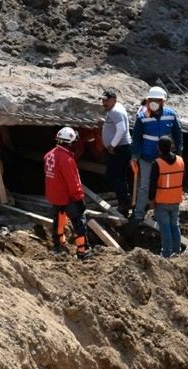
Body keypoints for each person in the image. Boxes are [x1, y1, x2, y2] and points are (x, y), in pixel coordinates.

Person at [131, 86, 183, 223]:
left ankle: (158, 212)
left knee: (163, 185)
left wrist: (179, 151)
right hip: (147, 157)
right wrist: (134, 156)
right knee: (144, 186)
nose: (153, 102)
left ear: (162, 102)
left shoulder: (170, 114)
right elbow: (136, 137)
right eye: (151, 100)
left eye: (157, 100)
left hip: (164, 159)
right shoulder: (142, 116)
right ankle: (139, 214)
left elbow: (177, 134)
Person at [44, 127, 90, 260]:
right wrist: (79, 198)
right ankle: (83, 251)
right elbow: (73, 182)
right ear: (69, 142)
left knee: (58, 220)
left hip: (55, 196)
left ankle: (58, 245)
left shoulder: (49, 155)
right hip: (67, 197)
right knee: (78, 222)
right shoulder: (66, 159)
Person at [148, 136, 184, 258]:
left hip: (162, 201)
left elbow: (152, 184)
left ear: (158, 148)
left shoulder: (157, 163)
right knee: (175, 225)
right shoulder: (180, 160)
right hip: (176, 199)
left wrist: (151, 200)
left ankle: (166, 253)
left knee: (165, 228)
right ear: (171, 147)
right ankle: (177, 251)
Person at [99, 90, 132, 216]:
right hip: (121, 148)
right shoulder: (115, 109)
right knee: (119, 177)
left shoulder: (115, 111)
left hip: (119, 149)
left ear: (114, 99)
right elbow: (116, 126)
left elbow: (122, 129)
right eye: (103, 100)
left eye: (106, 100)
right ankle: (125, 202)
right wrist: (105, 124)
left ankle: (124, 203)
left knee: (115, 176)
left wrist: (112, 145)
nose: (104, 103)